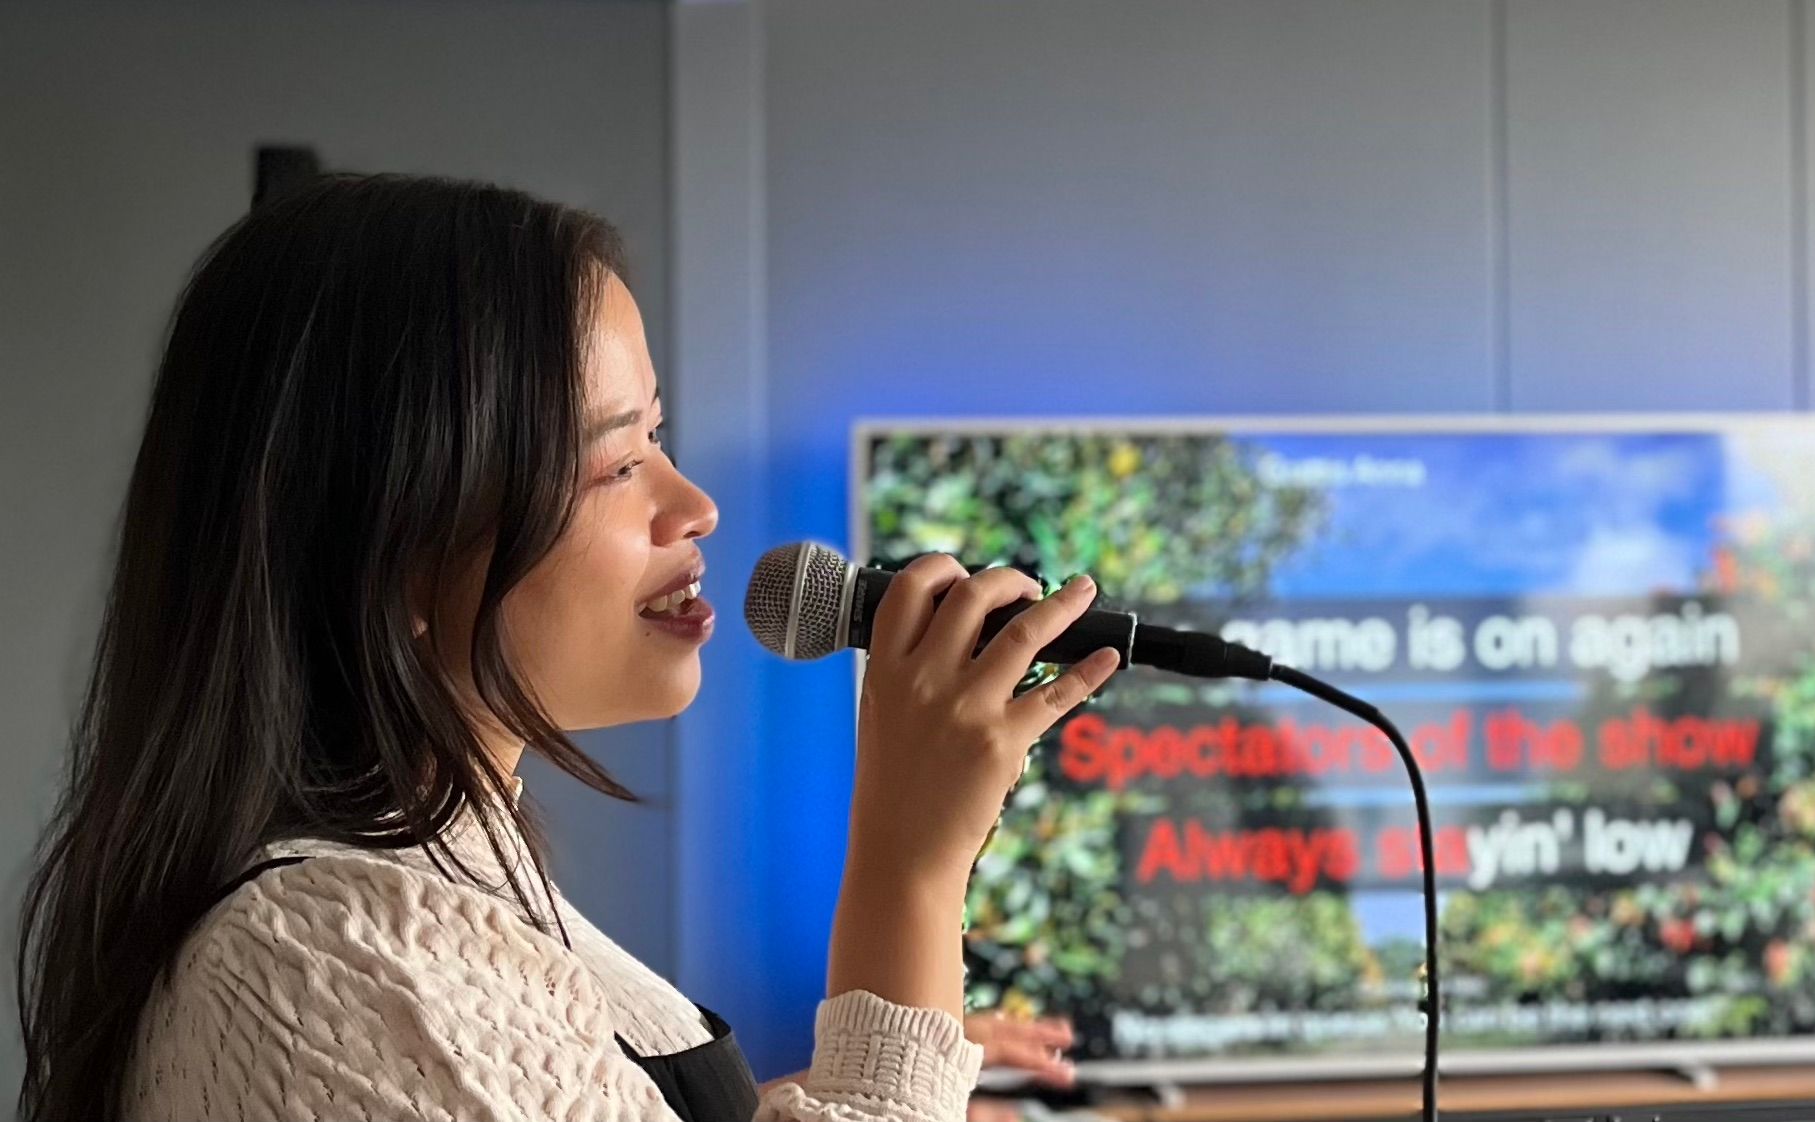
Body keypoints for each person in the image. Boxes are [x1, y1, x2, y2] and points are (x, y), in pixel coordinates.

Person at [15, 174, 1117, 1122]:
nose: (694, 508)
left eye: (658, 436)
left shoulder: (436, 898)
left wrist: (879, 1062)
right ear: (395, 548)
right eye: (613, 463)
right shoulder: (330, 959)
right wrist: (910, 871)